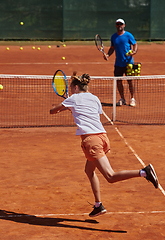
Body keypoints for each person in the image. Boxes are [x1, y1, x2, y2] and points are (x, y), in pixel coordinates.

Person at [50, 72, 158, 217]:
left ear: (75, 87)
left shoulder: (73, 98)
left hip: (91, 141)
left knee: (110, 176)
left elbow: (52, 111)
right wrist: (69, 106)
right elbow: (89, 112)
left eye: (71, 87)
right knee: (89, 171)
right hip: (103, 138)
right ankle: (98, 205)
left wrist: (64, 106)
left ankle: (144, 172)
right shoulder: (94, 98)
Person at [104, 18, 138, 107]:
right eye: (118, 24)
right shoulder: (113, 37)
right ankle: (122, 99)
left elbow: (135, 44)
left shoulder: (128, 35)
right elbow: (112, 48)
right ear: (116, 25)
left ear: (124, 25)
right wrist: (108, 55)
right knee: (118, 81)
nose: (119, 26)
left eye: (121, 24)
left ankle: (132, 98)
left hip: (128, 63)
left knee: (130, 81)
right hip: (118, 63)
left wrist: (134, 51)